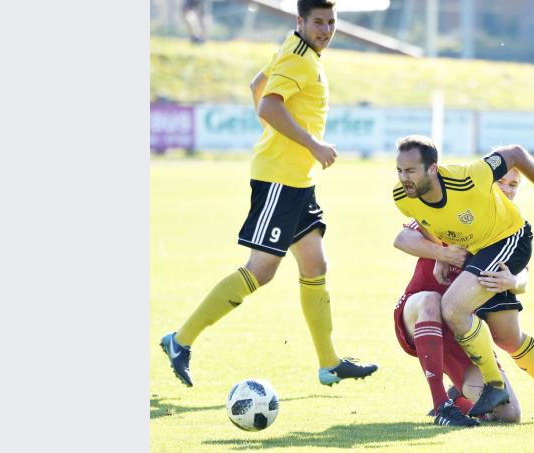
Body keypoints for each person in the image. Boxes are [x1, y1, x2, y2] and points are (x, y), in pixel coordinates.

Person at [161, 0, 377, 388]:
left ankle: (329, 363)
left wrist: (285, 143)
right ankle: (180, 340)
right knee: (261, 271)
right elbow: (268, 104)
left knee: (315, 266)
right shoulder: (299, 58)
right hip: (281, 180)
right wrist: (311, 144)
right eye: (318, 22)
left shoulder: (296, 49)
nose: (326, 29)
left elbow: (256, 86)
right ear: (300, 21)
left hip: (297, 181)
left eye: (331, 22)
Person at [393, 135, 534, 418]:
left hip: (504, 242)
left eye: (410, 171)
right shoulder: (404, 196)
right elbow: (417, 225)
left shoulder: (470, 179)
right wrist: (441, 251)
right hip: (480, 255)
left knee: (454, 308)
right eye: (400, 171)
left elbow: (515, 151)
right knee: (508, 338)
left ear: (432, 168)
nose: (403, 178)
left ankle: (492, 384)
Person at [393, 170, 529, 427]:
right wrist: (442, 254)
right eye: (501, 182)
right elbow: (402, 238)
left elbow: (524, 275)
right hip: (419, 312)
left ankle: (459, 396)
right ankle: (441, 405)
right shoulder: (453, 214)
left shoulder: (510, 229)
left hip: (464, 333)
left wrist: (513, 281)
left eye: (514, 185)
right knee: (432, 300)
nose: (507, 189)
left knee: (509, 414)